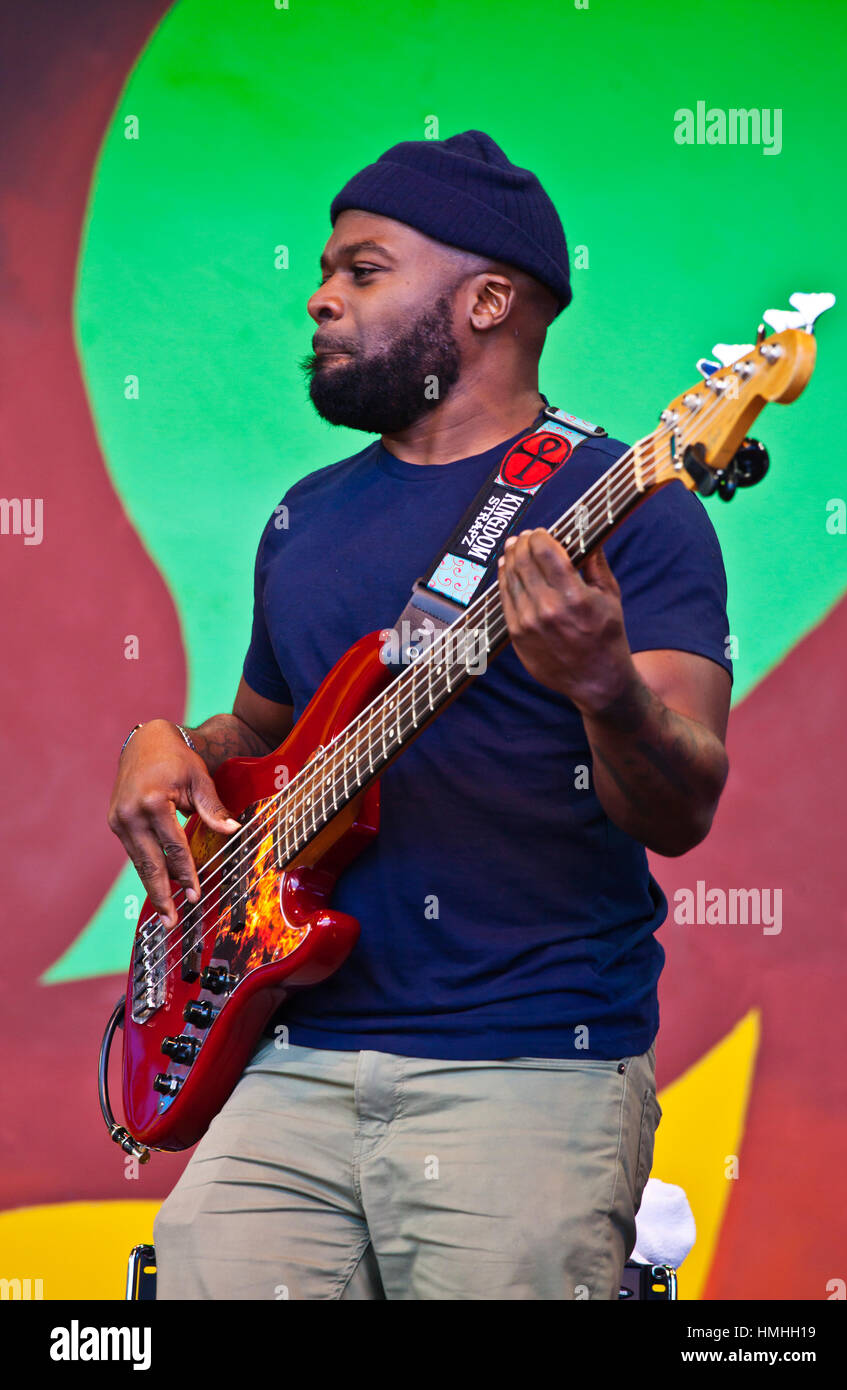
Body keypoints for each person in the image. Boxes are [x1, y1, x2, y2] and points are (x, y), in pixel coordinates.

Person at [108, 131, 732, 1300]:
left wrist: (600, 684)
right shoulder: (306, 515)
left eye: (362, 269)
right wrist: (164, 743)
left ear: (487, 300)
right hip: (293, 1055)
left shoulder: (629, 513)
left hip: (526, 1063)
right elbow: (260, 739)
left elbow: (684, 802)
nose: (319, 295)